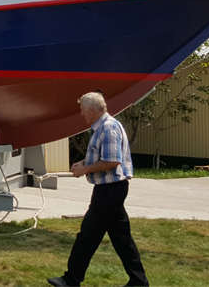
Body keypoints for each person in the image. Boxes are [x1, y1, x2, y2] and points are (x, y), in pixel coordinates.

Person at [48, 92, 149, 287]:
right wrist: (83, 163)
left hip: (110, 191)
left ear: (93, 110)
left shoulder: (108, 128)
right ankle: (139, 281)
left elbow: (112, 161)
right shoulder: (103, 127)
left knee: (88, 235)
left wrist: (85, 169)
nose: (82, 115)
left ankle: (71, 279)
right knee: (122, 239)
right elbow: (102, 156)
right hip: (110, 190)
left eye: (83, 111)